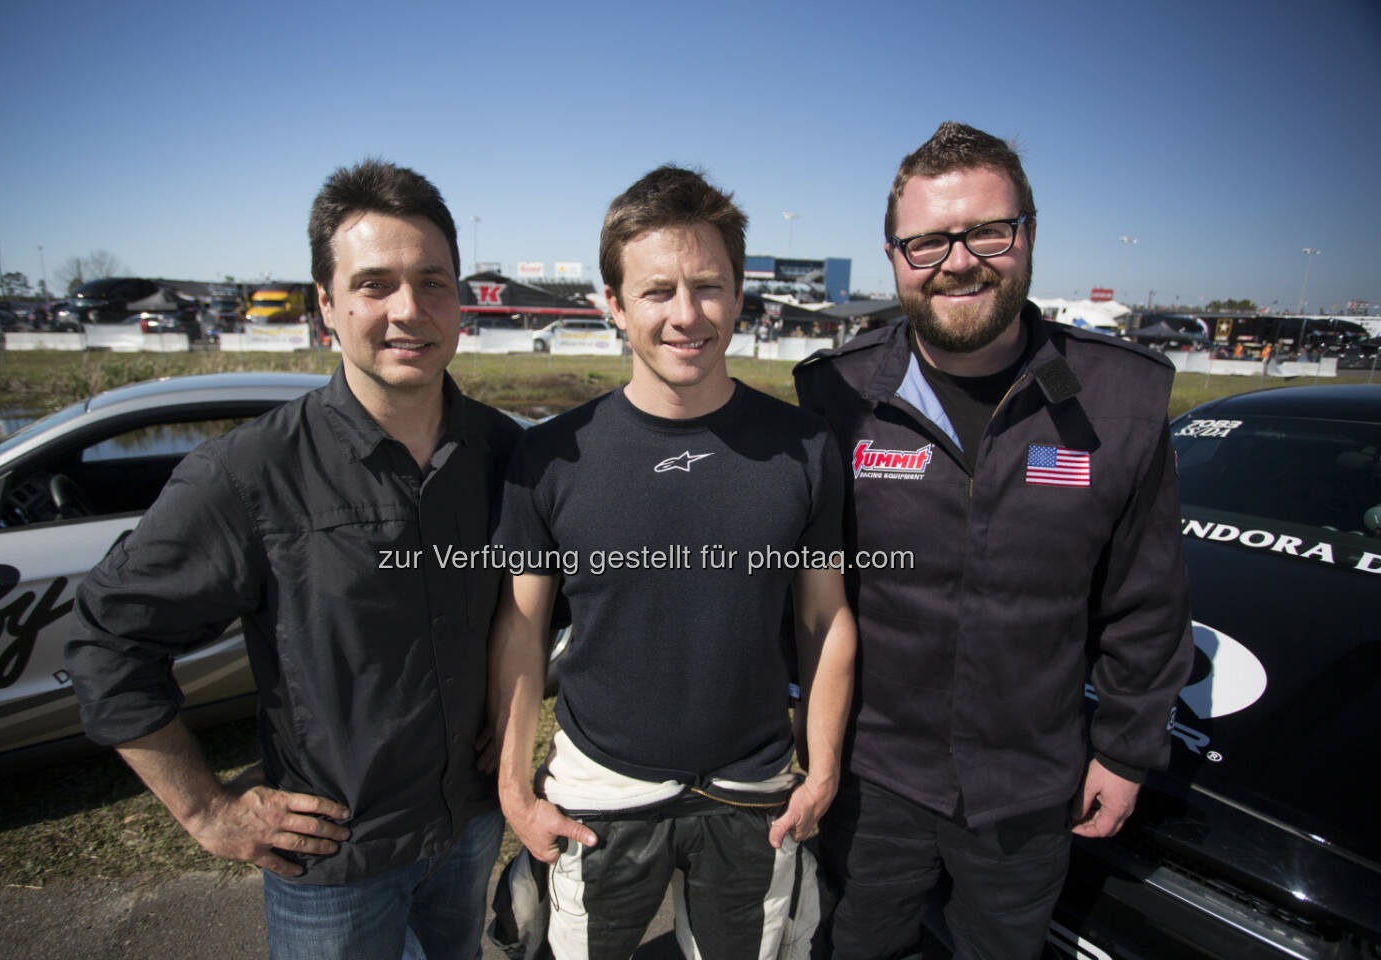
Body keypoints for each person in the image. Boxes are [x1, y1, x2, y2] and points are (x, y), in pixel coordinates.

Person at [65, 159, 521, 960]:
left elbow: (551, 604)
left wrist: (511, 707)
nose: (408, 310)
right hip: (336, 867)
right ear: (327, 305)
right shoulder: (247, 475)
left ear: (461, 303)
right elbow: (108, 641)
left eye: (433, 282)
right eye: (375, 284)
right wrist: (208, 811)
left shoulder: (508, 451)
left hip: (469, 827)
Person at [794, 122, 1193, 960]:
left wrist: (1125, 750)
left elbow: (1147, 600)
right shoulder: (832, 396)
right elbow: (789, 583)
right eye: (928, 240)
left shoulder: (1121, 400)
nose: (960, 259)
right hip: (870, 778)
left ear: (1030, 235)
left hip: (1029, 792)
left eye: (987, 231)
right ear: (895, 257)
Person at [488, 165, 857, 959]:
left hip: (754, 788)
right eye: (658, 291)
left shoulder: (806, 450)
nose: (687, 315)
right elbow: (520, 632)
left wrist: (820, 771)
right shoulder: (548, 457)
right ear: (615, 305)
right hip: (602, 789)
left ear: (739, 293)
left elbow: (826, 618)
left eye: (709, 287)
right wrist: (515, 790)